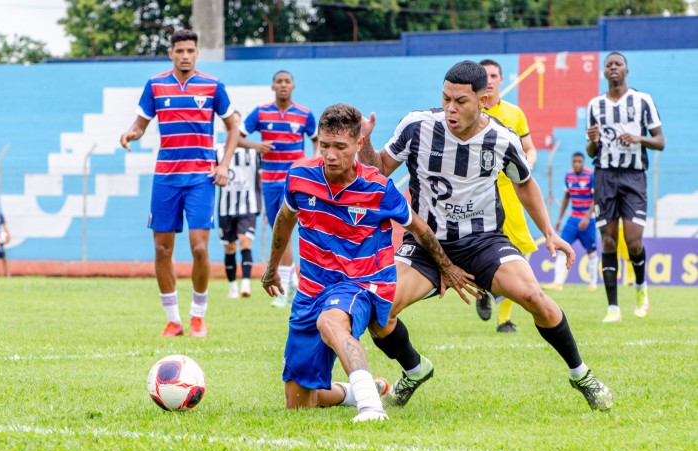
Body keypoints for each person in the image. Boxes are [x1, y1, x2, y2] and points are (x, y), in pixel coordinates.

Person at [359, 60, 613, 411]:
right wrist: (365, 142)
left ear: (484, 98)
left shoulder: (502, 138)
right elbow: (379, 169)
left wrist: (550, 233)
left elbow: (524, 184)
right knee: (378, 313)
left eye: (460, 101)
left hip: (484, 243)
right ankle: (415, 369)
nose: (450, 108)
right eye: (446, 98)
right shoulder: (417, 126)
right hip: (425, 244)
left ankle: (581, 374)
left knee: (533, 295)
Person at [261, 103, 475, 422]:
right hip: (311, 290)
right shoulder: (299, 177)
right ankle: (358, 390)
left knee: (330, 321)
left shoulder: (377, 187)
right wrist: (271, 268)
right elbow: (284, 219)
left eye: (340, 147)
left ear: (358, 144)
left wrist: (445, 266)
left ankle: (371, 407)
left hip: (363, 284)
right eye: (325, 146)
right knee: (299, 401)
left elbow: (418, 226)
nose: (331, 155)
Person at [120, 29, 238, 338]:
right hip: (166, 178)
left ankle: (198, 316)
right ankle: (173, 320)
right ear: (171, 53)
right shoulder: (156, 85)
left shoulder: (213, 86)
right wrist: (130, 134)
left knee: (199, 248)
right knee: (161, 249)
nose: (185, 55)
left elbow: (233, 128)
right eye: (179, 50)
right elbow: (140, 125)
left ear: (197, 53)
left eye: (190, 50)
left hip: (201, 178)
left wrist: (223, 164)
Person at [586, 51, 665, 322]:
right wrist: (592, 140)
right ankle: (613, 308)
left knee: (633, 241)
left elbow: (660, 141)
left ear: (626, 70)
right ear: (605, 73)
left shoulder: (643, 101)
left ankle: (641, 289)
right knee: (608, 239)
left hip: (633, 176)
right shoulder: (595, 105)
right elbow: (590, 151)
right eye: (608, 65)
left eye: (618, 64)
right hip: (605, 175)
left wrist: (638, 138)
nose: (613, 68)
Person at [240, 70, 319, 308]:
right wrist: (257, 145)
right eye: (279, 82)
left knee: (307, 228)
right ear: (273, 86)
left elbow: (316, 140)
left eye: (287, 82)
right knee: (279, 230)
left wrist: (314, 162)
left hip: (298, 181)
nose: (283, 85)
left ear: (293, 86)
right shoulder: (261, 112)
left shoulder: (304, 114)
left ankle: (297, 283)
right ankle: (287, 285)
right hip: (271, 182)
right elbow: (238, 136)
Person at [474, 59, 539, 334]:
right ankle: (482, 291)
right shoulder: (470, 112)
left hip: (508, 190)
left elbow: (530, 148)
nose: (489, 80)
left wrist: (527, 165)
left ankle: (504, 319)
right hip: (476, 191)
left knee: (520, 248)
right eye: (484, 75)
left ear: (501, 79)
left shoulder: (514, 113)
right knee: (474, 246)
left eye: (494, 75)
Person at [216, 111, 262, 299]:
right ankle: (232, 285)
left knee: (245, 241)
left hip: (248, 206)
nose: (233, 126)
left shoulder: (254, 151)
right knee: (229, 247)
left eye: (236, 122)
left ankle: (246, 284)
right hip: (226, 208)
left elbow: (262, 177)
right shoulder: (218, 150)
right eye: (230, 123)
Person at [542, 152, 599, 291]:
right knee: (562, 248)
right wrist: (560, 219)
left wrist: (587, 217)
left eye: (579, 161)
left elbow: (596, 197)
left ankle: (593, 283)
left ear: (583, 162)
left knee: (591, 251)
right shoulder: (568, 176)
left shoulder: (590, 175)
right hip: (573, 219)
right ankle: (557, 282)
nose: (577, 164)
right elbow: (566, 197)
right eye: (574, 161)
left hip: (588, 220)